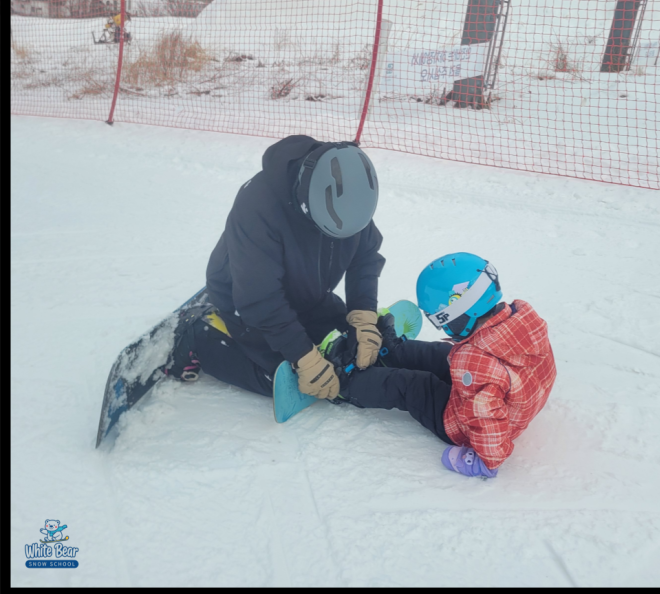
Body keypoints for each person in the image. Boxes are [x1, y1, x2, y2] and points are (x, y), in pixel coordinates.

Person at [167, 135, 386, 403]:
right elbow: (260, 298)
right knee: (287, 379)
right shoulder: (258, 205)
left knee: (343, 351)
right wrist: (303, 358)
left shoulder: (349, 193)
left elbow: (365, 256)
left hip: (308, 291)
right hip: (245, 297)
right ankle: (198, 339)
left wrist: (363, 315)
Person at [318, 252, 557, 478]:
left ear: (458, 314)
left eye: (441, 322)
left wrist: (487, 461)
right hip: (514, 393)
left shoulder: (476, 362)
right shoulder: (523, 319)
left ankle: (347, 384)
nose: (443, 328)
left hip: (466, 425)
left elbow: (486, 415)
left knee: (413, 385)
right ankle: (390, 352)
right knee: (443, 355)